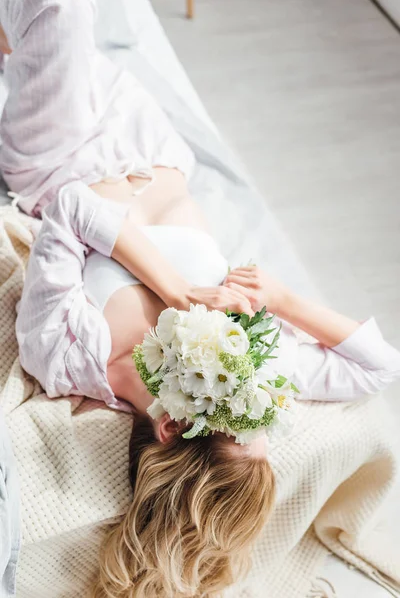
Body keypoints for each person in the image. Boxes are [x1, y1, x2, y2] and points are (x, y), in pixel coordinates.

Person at [15, 180, 400, 598]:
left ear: (172, 426)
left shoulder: (64, 355)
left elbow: (72, 203)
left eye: (242, 422)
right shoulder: (247, 358)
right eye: (264, 420)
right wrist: (281, 299)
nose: (258, 399)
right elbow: (381, 366)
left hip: (69, 155)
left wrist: (179, 294)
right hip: (159, 154)